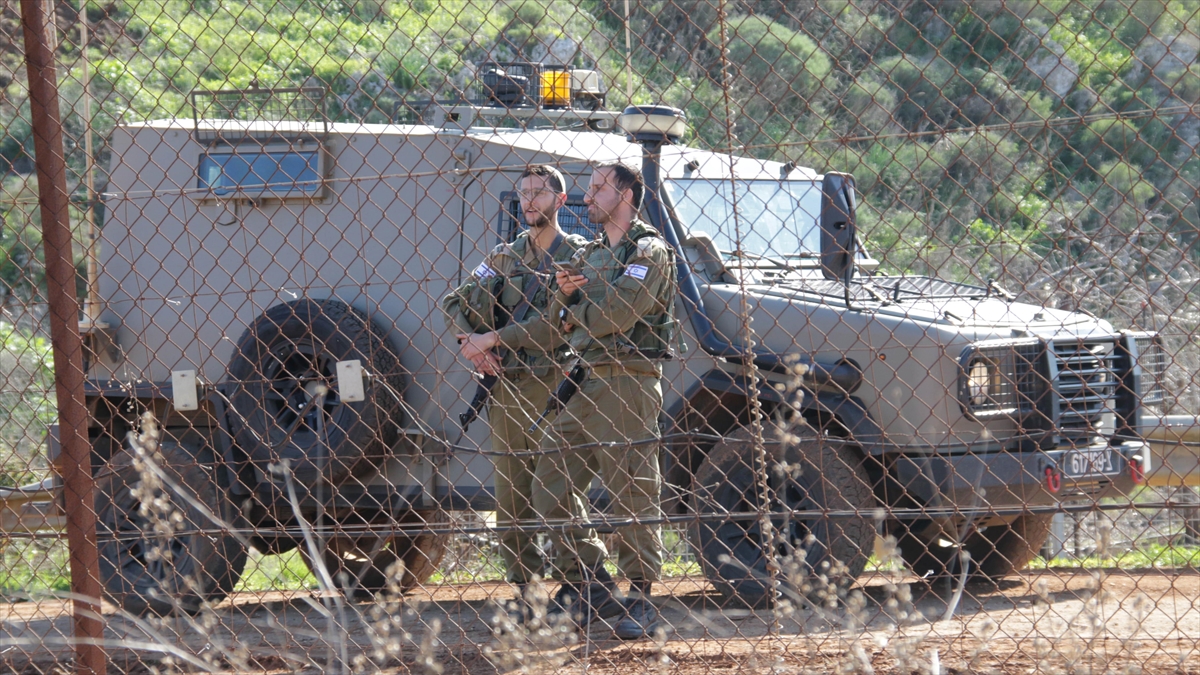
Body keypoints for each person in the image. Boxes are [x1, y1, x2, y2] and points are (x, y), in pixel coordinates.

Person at [532, 161, 678, 640]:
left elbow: (616, 314)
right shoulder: (591, 254)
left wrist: (575, 305)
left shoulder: (649, 251)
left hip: (628, 379)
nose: (588, 196)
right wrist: (570, 303)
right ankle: (590, 581)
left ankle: (642, 596)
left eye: (598, 188)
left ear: (627, 194)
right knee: (549, 482)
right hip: (584, 378)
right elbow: (557, 316)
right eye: (589, 187)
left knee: (631, 488)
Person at [441, 165, 587, 619]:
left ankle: (580, 582)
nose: (528, 202)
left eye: (539, 193)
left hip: (555, 384)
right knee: (511, 494)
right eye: (523, 193)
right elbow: (454, 301)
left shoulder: (579, 256)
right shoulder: (504, 256)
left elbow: (558, 326)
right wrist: (473, 345)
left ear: (559, 201)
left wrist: (493, 339)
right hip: (506, 386)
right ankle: (526, 588)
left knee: (557, 488)